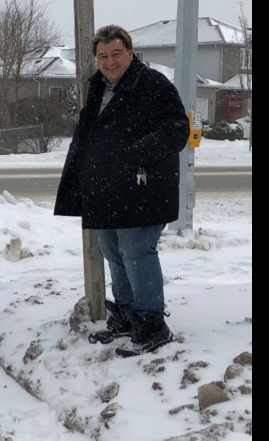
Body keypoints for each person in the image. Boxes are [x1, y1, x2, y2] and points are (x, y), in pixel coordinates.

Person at [54, 24, 189, 357]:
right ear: (95, 59)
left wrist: (135, 153)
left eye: (116, 53)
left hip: (143, 187)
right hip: (106, 188)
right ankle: (128, 316)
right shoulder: (98, 86)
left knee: (137, 252)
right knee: (113, 251)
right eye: (102, 55)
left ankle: (152, 324)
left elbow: (177, 129)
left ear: (130, 53)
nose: (110, 61)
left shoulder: (153, 85)